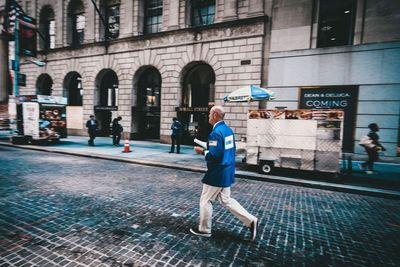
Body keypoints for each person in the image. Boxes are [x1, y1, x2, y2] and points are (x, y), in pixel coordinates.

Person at [190, 106, 258, 241]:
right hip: (227, 170)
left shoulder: (215, 133)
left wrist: (202, 152)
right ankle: (251, 220)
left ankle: (204, 230)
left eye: (210, 114)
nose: (209, 116)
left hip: (217, 172)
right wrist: (206, 146)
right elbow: (224, 149)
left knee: (205, 200)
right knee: (226, 200)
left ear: (215, 115)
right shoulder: (228, 130)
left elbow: (215, 155)